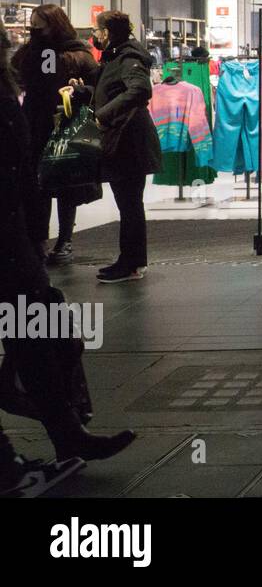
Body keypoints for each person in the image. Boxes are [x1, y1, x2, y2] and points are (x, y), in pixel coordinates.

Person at [0, 25, 136, 470]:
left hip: (14, 234)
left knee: (39, 329)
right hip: (9, 237)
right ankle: (44, 437)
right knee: (33, 329)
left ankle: (66, 431)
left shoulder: (13, 89)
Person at [13, 4, 100, 265]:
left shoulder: (73, 52)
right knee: (38, 185)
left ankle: (64, 240)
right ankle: (40, 240)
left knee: (65, 184)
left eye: (39, 25)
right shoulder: (32, 51)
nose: (35, 30)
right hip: (35, 123)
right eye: (33, 25)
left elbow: (92, 82)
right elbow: (22, 76)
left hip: (64, 122)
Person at [90, 10, 162, 284]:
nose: (95, 36)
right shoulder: (117, 55)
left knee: (130, 204)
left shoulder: (128, 56)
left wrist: (103, 114)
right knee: (128, 204)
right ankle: (129, 260)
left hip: (129, 141)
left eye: (97, 31)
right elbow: (114, 90)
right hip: (124, 139)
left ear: (107, 32)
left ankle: (132, 264)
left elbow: (140, 89)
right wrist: (84, 92)